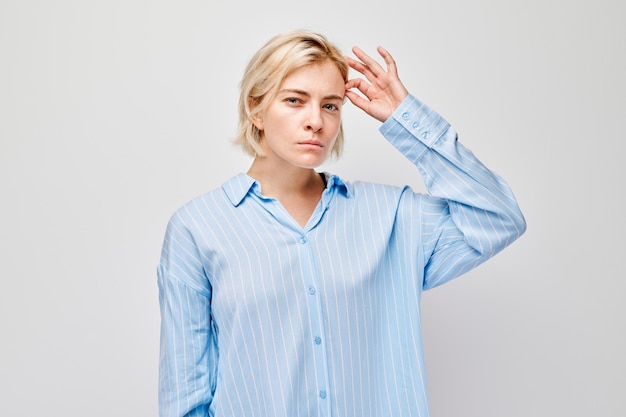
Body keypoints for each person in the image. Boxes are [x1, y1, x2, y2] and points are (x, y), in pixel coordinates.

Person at [157, 30, 526, 417]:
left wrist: (407, 120)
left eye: (330, 106)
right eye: (295, 100)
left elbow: (499, 217)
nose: (315, 121)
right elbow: (186, 400)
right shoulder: (197, 229)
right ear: (256, 108)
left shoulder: (392, 217)